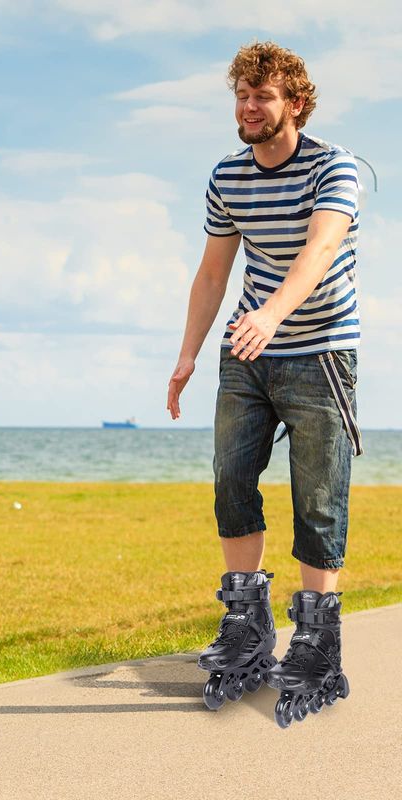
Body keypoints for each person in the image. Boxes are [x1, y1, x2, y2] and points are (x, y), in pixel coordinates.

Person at [167, 41, 359, 728]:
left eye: (264, 96)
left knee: (318, 500)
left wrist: (273, 314)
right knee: (231, 481)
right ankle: (246, 626)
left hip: (320, 352)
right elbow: (214, 272)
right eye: (242, 96)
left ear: (295, 103)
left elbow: (321, 248)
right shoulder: (227, 176)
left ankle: (317, 643)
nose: (249, 107)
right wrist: (188, 354)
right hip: (247, 353)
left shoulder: (333, 167)